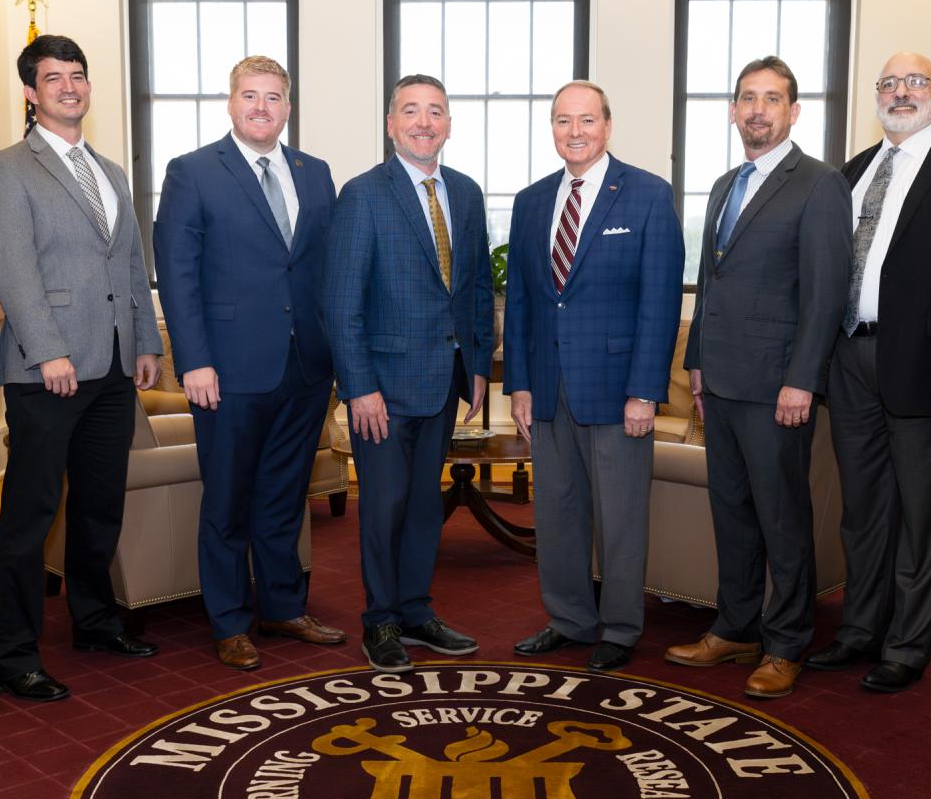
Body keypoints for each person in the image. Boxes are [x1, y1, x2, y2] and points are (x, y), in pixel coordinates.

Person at [804, 51, 931, 692]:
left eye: (914, 82)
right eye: (888, 82)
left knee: (924, 514)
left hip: (929, 368)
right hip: (851, 359)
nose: (900, 92)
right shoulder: (855, 170)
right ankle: (862, 630)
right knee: (862, 511)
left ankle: (908, 643)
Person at [0, 35, 164, 701]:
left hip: (113, 366)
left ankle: (94, 620)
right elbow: (13, 264)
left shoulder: (110, 170)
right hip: (46, 370)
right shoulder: (8, 169)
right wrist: (46, 348)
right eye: (54, 77)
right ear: (31, 93)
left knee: (97, 507)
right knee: (29, 515)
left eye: (78, 75)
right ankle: (12, 651)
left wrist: (146, 341)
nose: (69, 87)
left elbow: (132, 264)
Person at [662, 57, 850, 697]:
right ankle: (736, 625)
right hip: (724, 380)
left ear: (794, 112)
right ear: (734, 110)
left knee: (782, 518)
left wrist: (803, 380)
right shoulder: (723, 185)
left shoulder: (819, 184)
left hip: (779, 388)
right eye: (748, 98)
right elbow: (712, 284)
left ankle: (787, 641)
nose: (758, 110)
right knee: (732, 513)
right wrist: (698, 365)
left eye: (772, 99)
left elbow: (826, 294)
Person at [153, 55, 346, 671]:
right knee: (229, 499)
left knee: (286, 498)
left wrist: (336, 354)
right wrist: (195, 362)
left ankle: (284, 606)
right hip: (228, 371)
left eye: (274, 97)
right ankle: (231, 620)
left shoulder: (315, 175)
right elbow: (177, 276)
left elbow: (322, 274)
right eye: (250, 96)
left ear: (288, 107)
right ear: (231, 103)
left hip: (306, 368)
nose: (262, 107)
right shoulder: (192, 172)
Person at [505, 81, 684, 673]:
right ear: (551, 128)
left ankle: (622, 626)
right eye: (562, 121)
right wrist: (521, 384)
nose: (574, 131)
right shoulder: (531, 202)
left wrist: (644, 391)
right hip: (549, 387)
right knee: (556, 513)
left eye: (585, 120)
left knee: (621, 515)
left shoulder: (648, 196)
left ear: (608, 125)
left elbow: (658, 305)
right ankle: (569, 618)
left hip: (616, 390)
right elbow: (526, 303)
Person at [324, 75, 493, 673]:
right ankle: (382, 621)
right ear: (391, 123)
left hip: (445, 380)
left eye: (437, 112)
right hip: (384, 389)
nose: (425, 122)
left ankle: (418, 611)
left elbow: (473, 290)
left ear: (449, 123)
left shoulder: (467, 195)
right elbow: (342, 300)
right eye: (411, 112)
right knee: (386, 506)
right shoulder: (364, 194)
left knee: (425, 504)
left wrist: (477, 368)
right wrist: (359, 387)